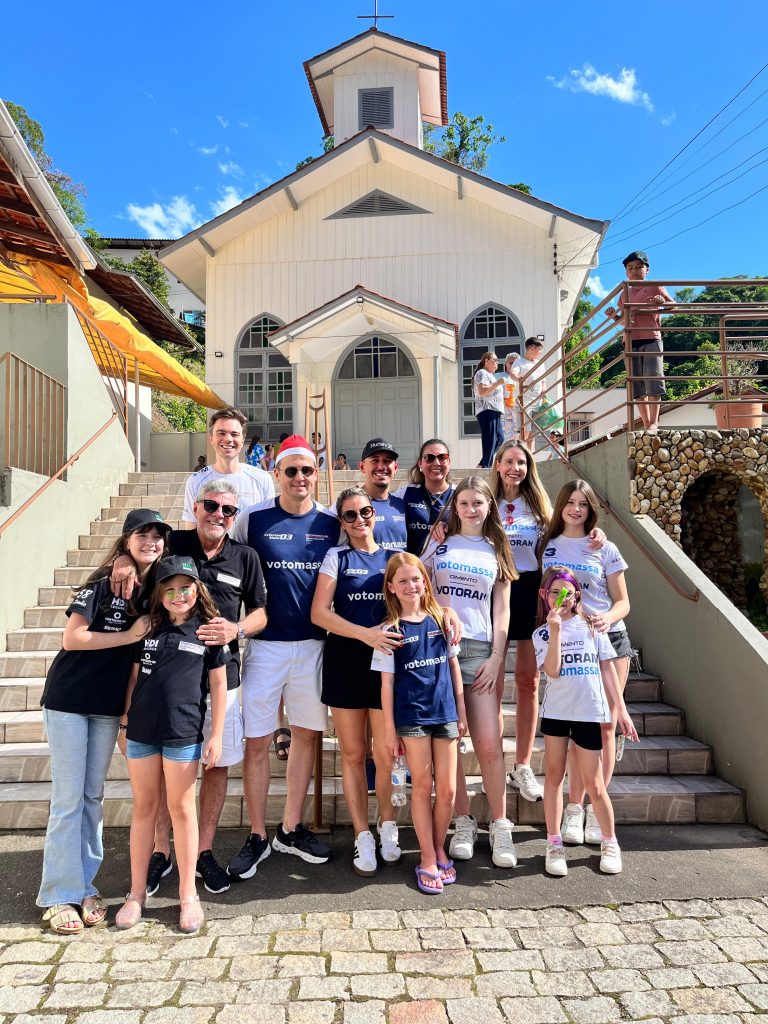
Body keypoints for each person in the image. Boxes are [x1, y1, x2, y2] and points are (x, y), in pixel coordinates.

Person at [110, 481, 268, 896]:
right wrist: (124, 560)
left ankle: (203, 852)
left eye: (228, 510)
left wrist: (237, 628)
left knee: (215, 766)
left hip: (220, 679)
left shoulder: (245, 556)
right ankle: (161, 850)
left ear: (236, 516)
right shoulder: (175, 542)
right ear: (196, 507)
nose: (219, 514)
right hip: (166, 678)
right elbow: (141, 543)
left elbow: (261, 614)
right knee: (163, 770)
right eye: (211, 505)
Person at [36, 510, 169, 935]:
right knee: (69, 800)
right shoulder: (102, 581)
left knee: (93, 798)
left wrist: (128, 713)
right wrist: (128, 635)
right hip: (70, 699)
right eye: (142, 535)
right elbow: (71, 637)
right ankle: (58, 894)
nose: (151, 541)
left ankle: (84, 886)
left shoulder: (152, 590)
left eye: (158, 536)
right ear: (126, 539)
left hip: (108, 706)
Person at [229, 436, 338, 875]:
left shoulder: (332, 521)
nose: (298, 478)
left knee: (307, 736)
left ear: (316, 475)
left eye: (306, 471)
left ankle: (290, 829)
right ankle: (258, 834)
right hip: (265, 647)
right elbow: (221, 552)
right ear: (276, 473)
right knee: (256, 742)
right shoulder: (252, 518)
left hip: (313, 647)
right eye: (290, 470)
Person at [115, 556, 230, 933]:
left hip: (182, 733)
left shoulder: (208, 632)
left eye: (186, 587)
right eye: (170, 588)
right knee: (145, 808)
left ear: (197, 590)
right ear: (159, 594)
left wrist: (216, 735)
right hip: (142, 734)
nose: (178, 595)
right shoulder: (145, 628)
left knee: (182, 811)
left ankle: (188, 895)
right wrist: (124, 721)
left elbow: (218, 685)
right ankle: (135, 894)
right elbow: (131, 680)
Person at [422, 477, 517, 868]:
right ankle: (463, 820)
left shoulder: (497, 549)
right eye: (464, 502)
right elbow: (417, 586)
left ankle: (500, 824)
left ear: (489, 506)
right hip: (437, 649)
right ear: (454, 505)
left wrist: (497, 656)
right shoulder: (438, 542)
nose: (471, 509)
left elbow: (502, 609)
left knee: (489, 744)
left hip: (479, 652)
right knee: (450, 743)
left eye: (478, 502)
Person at [310, 487, 403, 876]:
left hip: (384, 664)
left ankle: (387, 825)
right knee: (351, 753)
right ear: (342, 523)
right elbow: (319, 613)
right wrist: (365, 634)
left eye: (365, 511)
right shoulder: (337, 557)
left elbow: (416, 600)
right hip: (346, 660)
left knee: (383, 753)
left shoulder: (394, 558)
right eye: (350, 515)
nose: (360, 519)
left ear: (375, 514)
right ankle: (362, 835)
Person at [540, 479, 631, 848]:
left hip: (608, 641)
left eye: (583, 503)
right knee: (576, 730)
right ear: (560, 505)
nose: (576, 509)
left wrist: (607, 619)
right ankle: (573, 808)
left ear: (591, 508)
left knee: (605, 726)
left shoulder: (604, 546)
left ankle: (595, 806)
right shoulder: (547, 547)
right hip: (569, 643)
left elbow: (623, 601)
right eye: (570, 502)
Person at [533, 565, 638, 877]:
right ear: (544, 594)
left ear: (576, 594)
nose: (561, 598)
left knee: (594, 782)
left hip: (589, 711)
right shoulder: (541, 633)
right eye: (554, 592)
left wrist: (622, 711)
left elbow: (608, 670)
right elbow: (551, 670)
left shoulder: (593, 627)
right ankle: (554, 844)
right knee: (554, 776)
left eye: (566, 592)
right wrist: (554, 630)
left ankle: (609, 842)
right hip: (556, 712)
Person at [373, 553, 467, 894]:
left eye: (417, 579)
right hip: (412, 718)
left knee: (449, 790)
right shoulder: (389, 630)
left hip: (445, 714)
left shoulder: (443, 618)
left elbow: (454, 668)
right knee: (422, 786)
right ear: (392, 588)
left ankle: (439, 845)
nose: (412, 586)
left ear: (425, 581)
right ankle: (428, 857)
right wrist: (388, 729)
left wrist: (462, 711)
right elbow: (386, 685)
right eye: (403, 581)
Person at [606, 250, 673, 434]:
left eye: (639, 267)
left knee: (654, 382)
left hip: (651, 337)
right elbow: (623, 320)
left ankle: (654, 423)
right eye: (630, 268)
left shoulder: (655, 286)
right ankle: (645, 423)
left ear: (647, 269)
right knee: (637, 387)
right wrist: (614, 316)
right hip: (630, 341)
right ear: (626, 272)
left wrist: (661, 302)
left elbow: (673, 305)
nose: (634, 271)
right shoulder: (624, 293)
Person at [182, 408, 274, 527]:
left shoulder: (262, 479)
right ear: (211, 439)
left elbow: (268, 528)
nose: (228, 439)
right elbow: (191, 529)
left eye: (234, 434)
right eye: (221, 433)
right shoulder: (195, 481)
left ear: (242, 440)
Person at [393, 438, 454, 556]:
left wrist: (450, 527)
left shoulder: (459, 494)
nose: (436, 462)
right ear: (420, 463)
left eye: (442, 457)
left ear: (449, 462)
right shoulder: (406, 492)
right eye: (429, 458)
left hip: (444, 569)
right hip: (413, 569)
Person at [358, 438, 407, 551]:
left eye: (387, 461)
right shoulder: (350, 504)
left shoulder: (401, 505)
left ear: (395, 467)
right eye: (375, 460)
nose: (381, 466)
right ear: (362, 467)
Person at [473, 352, 504, 468]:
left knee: (500, 439)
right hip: (486, 410)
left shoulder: (490, 375)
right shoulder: (482, 373)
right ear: (486, 360)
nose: (497, 362)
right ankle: (486, 466)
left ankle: (482, 464)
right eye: (495, 360)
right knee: (490, 440)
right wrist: (498, 383)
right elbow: (482, 392)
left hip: (495, 411)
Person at [516, 338, 545, 448]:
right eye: (539, 350)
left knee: (533, 434)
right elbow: (514, 373)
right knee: (525, 432)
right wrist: (519, 378)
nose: (541, 353)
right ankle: (519, 452)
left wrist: (544, 390)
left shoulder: (540, 364)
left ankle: (529, 456)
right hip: (526, 402)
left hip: (538, 401)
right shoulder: (520, 362)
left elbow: (543, 380)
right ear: (532, 349)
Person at [501, 353, 521, 442]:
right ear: (506, 364)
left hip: (518, 410)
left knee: (519, 438)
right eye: (511, 362)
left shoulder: (522, 377)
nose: (513, 365)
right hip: (503, 411)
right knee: (504, 438)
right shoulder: (498, 376)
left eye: (516, 363)